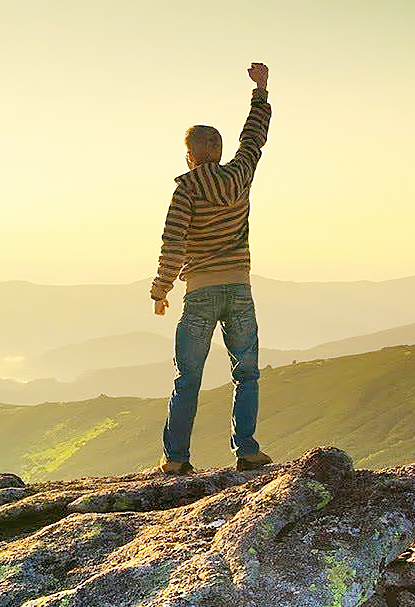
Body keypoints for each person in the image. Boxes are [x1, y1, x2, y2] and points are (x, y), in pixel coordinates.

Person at [149, 62, 275, 475]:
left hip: (200, 293)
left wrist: (160, 289)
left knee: (187, 378)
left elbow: (173, 243)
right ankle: (247, 450)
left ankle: (176, 458)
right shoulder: (240, 174)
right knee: (247, 373)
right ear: (218, 153)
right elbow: (254, 137)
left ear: (190, 156)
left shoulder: (186, 189)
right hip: (239, 290)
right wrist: (261, 90)